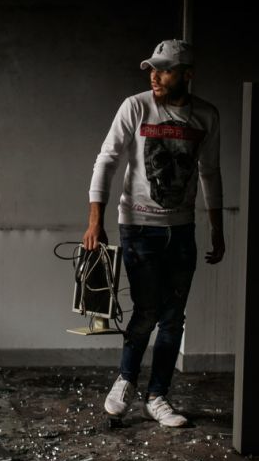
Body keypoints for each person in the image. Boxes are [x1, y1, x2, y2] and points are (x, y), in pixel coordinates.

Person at [84, 38, 224, 427]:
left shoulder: (206, 116)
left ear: (187, 75)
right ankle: (126, 379)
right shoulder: (136, 106)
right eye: (152, 68)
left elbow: (210, 172)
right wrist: (96, 220)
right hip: (139, 228)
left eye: (164, 69)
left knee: (173, 317)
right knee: (147, 310)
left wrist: (218, 228)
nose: (154, 75)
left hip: (181, 230)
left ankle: (157, 396)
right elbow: (107, 160)